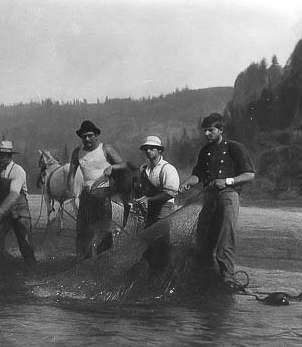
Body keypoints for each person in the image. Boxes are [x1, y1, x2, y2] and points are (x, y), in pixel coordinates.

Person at [179, 112, 255, 289]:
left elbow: (249, 174)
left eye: (210, 130)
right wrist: (188, 182)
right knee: (203, 236)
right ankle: (204, 274)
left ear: (220, 130)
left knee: (225, 237)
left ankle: (228, 277)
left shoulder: (234, 147)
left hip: (229, 197)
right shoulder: (204, 151)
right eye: (205, 130)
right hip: (209, 198)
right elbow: (198, 175)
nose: (206, 134)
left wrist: (227, 181)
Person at [67, 120, 128, 259]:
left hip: (104, 195)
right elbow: (71, 174)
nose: (87, 139)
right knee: (83, 232)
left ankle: (103, 263)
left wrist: (112, 168)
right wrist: (71, 192)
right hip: (86, 195)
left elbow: (124, 164)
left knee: (104, 231)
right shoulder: (77, 152)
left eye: (90, 135)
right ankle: (83, 264)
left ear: (96, 135)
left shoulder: (105, 148)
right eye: (84, 136)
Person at [133, 135, 180, 269]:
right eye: (146, 149)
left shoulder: (167, 169)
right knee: (148, 240)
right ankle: (152, 270)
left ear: (159, 151)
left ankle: (165, 270)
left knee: (161, 240)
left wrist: (149, 199)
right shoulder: (144, 169)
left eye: (152, 148)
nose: (148, 151)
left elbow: (172, 192)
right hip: (149, 209)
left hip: (164, 207)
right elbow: (140, 189)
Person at [0, 140, 36, 264]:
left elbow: (14, 195)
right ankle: (0, 268)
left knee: (24, 241)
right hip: (4, 211)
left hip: (19, 211)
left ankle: (31, 268)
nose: (0, 158)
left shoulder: (18, 171)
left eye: (3, 155)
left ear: (10, 156)